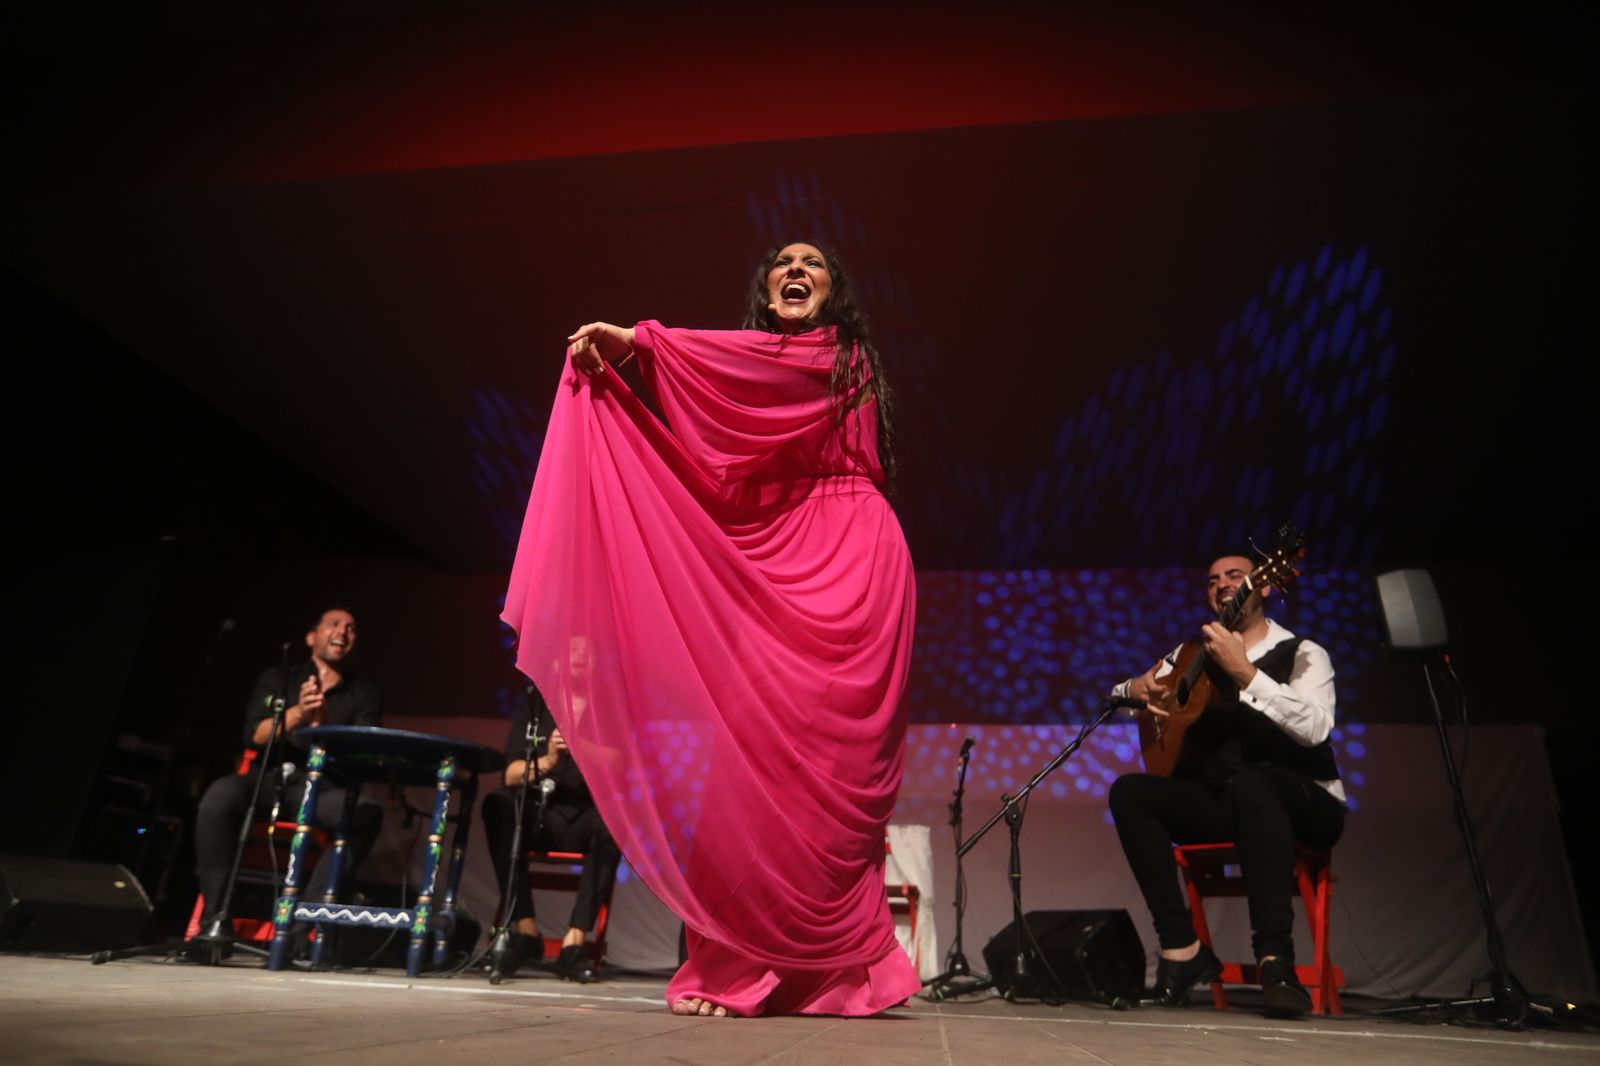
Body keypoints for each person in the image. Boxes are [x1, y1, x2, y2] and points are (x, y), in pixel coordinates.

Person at [502, 242, 919, 1017]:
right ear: (765, 289)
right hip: (770, 569)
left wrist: (645, 340)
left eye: (815, 263)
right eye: (782, 262)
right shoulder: (750, 372)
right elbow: (721, 436)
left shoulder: (843, 357)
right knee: (745, 768)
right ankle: (742, 966)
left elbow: (753, 366)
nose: (797, 269)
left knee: (833, 773)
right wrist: (623, 397)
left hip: (854, 563)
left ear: (834, 290)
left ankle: (841, 974)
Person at [1107, 553, 1346, 1015]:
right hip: (1233, 801)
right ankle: (1182, 950)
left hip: (1306, 801)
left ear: (1265, 585)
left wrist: (1248, 675)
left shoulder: (1303, 652)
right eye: (1212, 580)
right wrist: (1134, 689)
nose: (1222, 585)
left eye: (1234, 576)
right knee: (1130, 792)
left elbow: (1317, 727)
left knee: (1256, 781)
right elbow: (1120, 694)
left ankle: (1276, 961)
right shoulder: (1193, 654)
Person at [192, 605, 384, 947]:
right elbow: (255, 735)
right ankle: (216, 923)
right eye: (334, 624)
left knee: (366, 812)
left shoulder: (363, 693)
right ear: (312, 637)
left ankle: (302, 923)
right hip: (269, 781)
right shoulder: (279, 677)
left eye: (351, 628)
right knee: (219, 798)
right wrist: (299, 712)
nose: (343, 632)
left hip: (325, 787)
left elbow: (363, 753)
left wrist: (323, 722)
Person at [481, 685, 621, 983]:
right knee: (499, 805)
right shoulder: (537, 705)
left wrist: (580, 747)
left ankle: (574, 942)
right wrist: (548, 761)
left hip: (584, 817)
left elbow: (620, 763)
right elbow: (510, 774)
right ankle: (526, 930)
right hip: (540, 813)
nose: (578, 657)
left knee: (614, 822)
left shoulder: (607, 706)